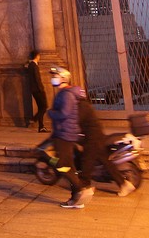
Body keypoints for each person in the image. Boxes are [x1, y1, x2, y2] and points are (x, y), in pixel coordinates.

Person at [46, 67, 89, 208]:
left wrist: (51, 113)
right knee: (67, 166)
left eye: (56, 75)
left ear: (63, 78)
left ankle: (80, 188)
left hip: (65, 134)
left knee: (61, 165)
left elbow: (64, 113)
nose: (53, 78)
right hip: (63, 133)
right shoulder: (64, 93)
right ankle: (76, 198)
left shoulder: (66, 95)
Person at [77, 93, 134, 196]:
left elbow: (77, 120)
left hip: (92, 138)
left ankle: (84, 187)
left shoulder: (81, 106)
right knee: (106, 162)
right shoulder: (84, 105)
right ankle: (124, 184)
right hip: (96, 136)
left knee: (87, 162)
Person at [25, 50, 47, 133]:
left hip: (34, 90)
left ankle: (41, 127)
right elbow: (37, 79)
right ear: (37, 56)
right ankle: (34, 119)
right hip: (38, 90)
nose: (40, 57)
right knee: (44, 107)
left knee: (41, 108)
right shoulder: (34, 66)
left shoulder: (30, 65)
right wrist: (41, 89)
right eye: (39, 56)